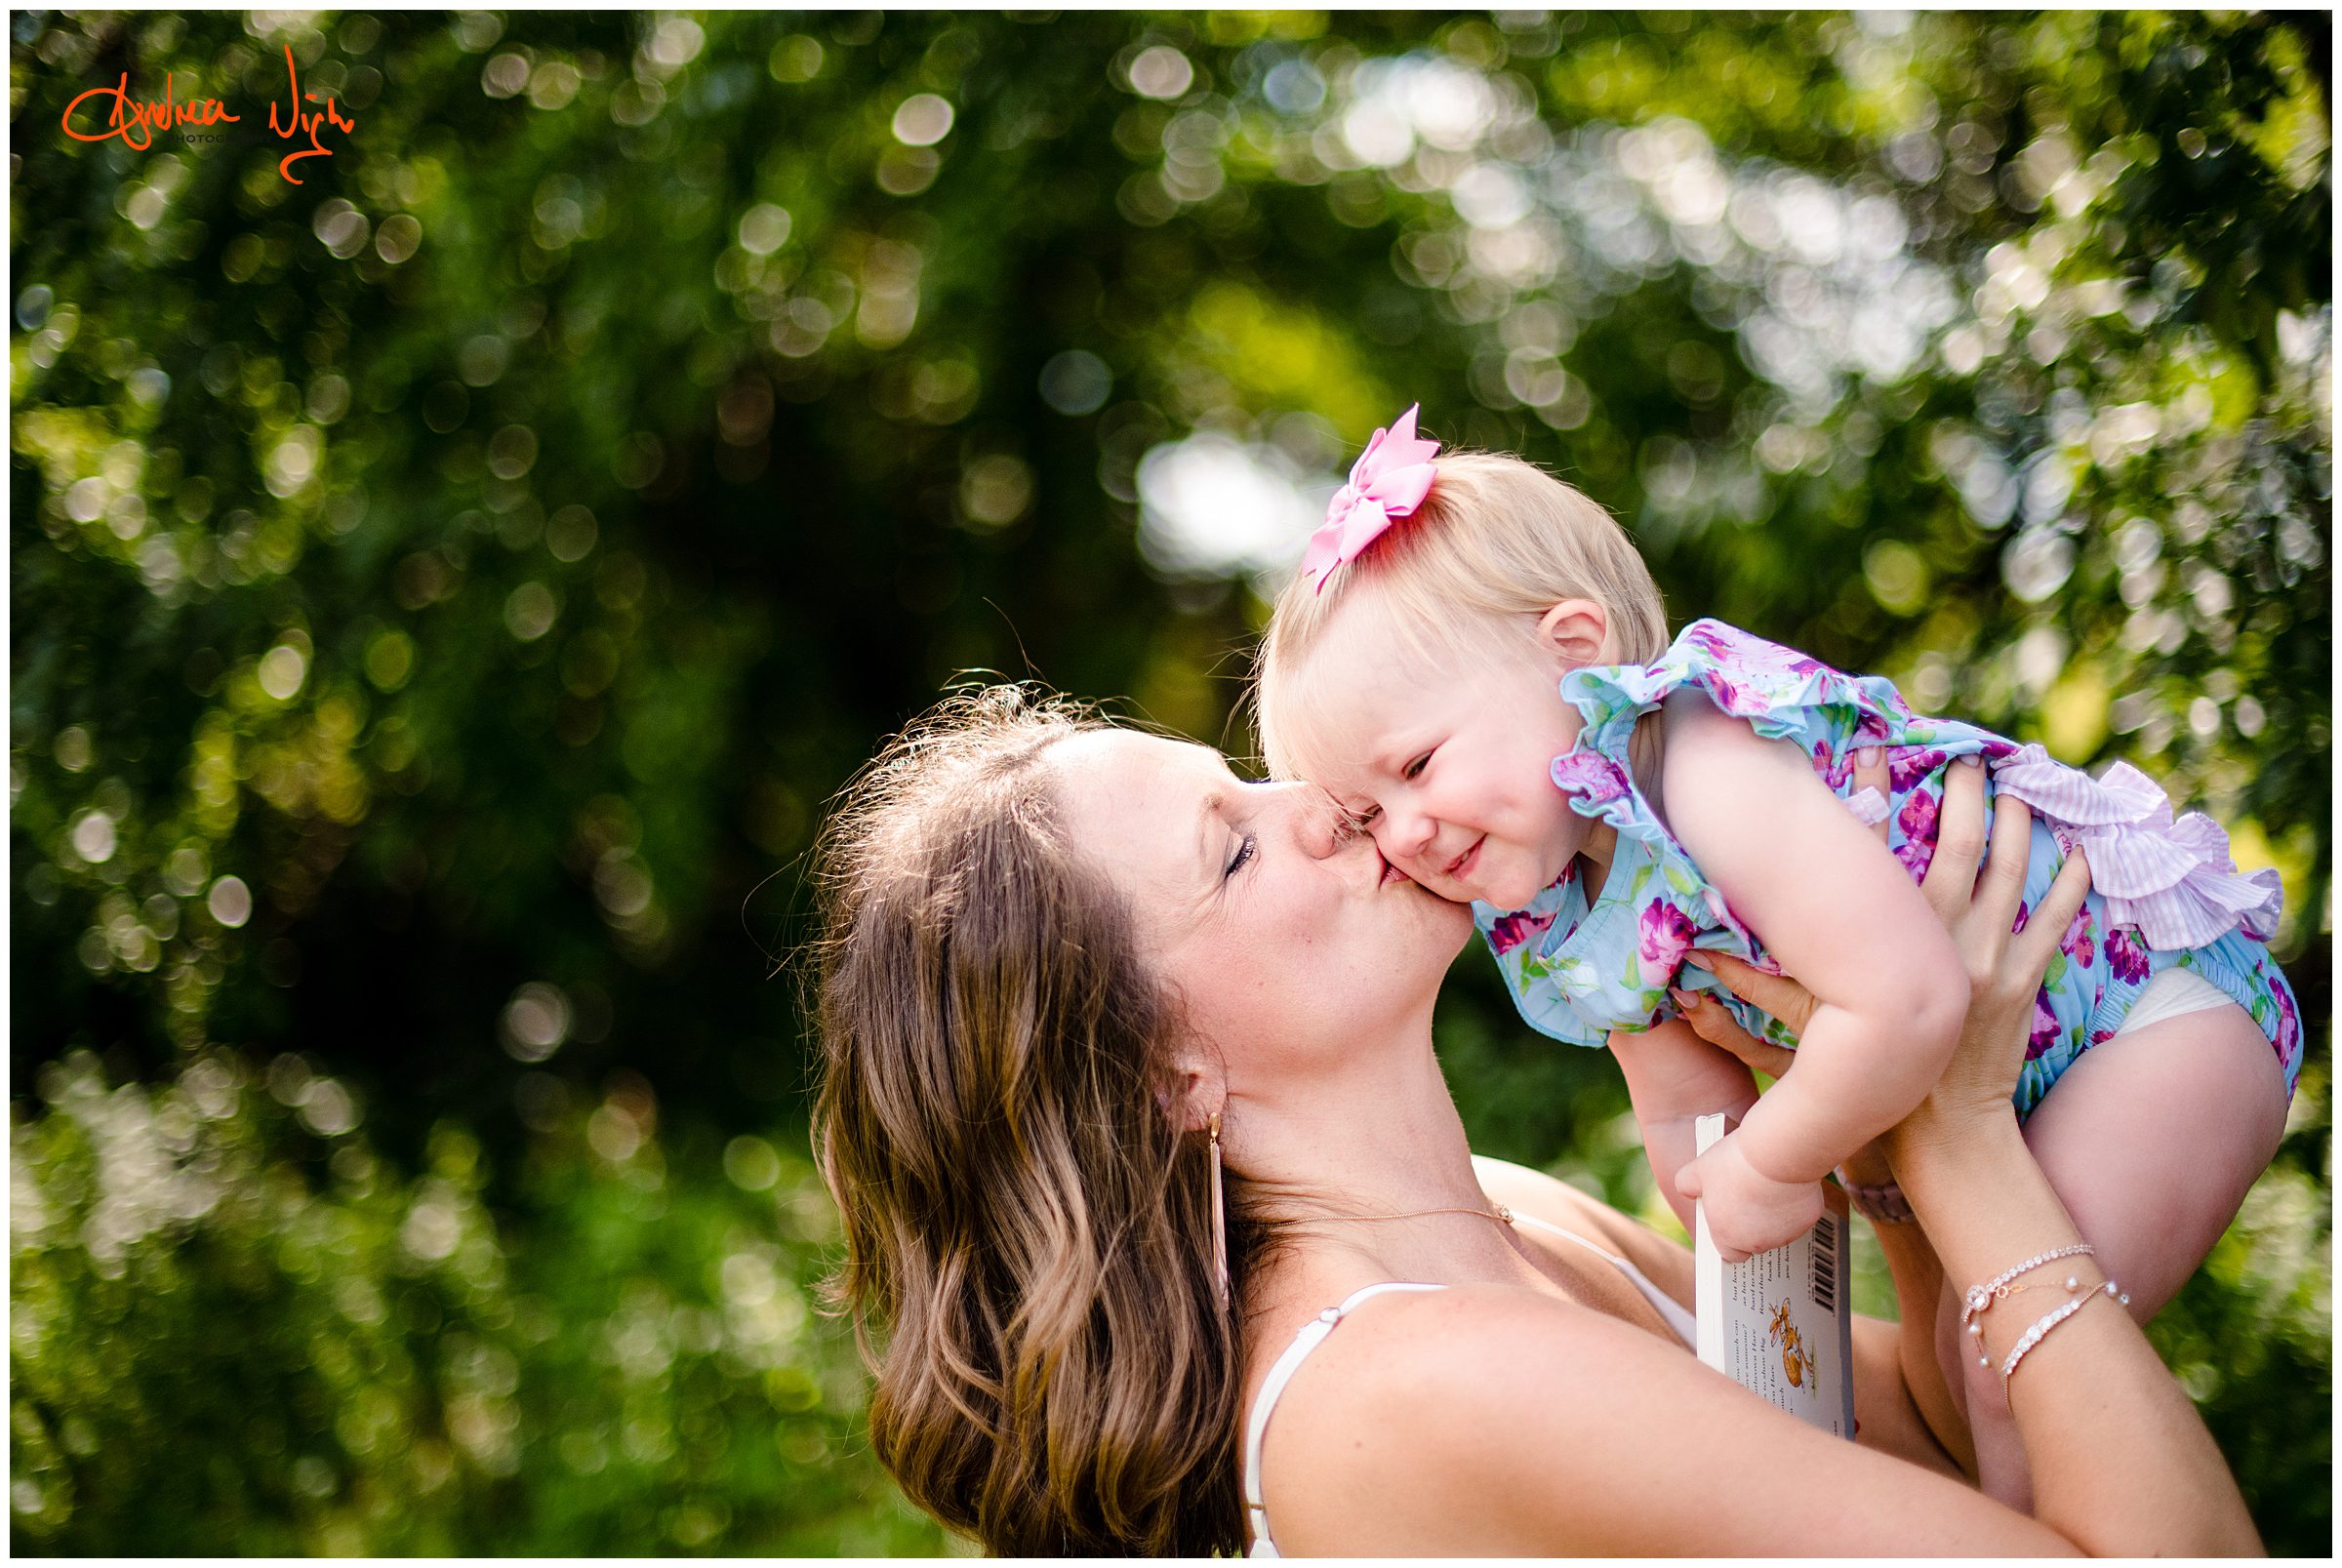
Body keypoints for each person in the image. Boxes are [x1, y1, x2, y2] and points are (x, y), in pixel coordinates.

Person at [809, 684, 2262, 1554]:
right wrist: (1958, 1124)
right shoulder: (1408, 1382)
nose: (1313, 800)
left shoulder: (1515, 1216)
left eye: (1246, 774)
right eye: (1233, 847)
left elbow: (1949, 1435)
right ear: (1164, 1073)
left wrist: (1882, 1136)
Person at [1251, 407, 2298, 1502]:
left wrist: (1773, 1161)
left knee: (2005, 1363)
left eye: (1418, 763)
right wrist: (1716, 1182)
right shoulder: (1555, 912)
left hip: (2147, 1015)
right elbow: (1679, 1102)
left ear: (1576, 651)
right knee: (1960, 1365)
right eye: (1366, 811)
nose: (1406, 830)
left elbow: (1905, 996)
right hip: (2008, 1067)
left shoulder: (1700, 756)